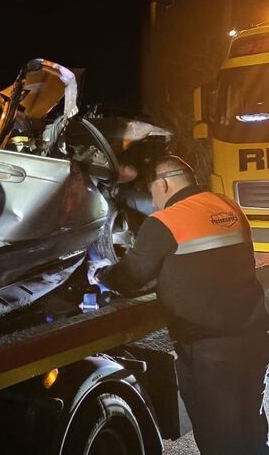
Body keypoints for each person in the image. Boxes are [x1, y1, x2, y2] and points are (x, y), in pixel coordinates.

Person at [89, 155, 269, 455]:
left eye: (152, 191)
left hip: (210, 351)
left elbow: (132, 276)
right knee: (250, 427)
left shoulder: (166, 221)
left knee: (221, 441)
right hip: (253, 341)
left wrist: (101, 275)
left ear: (164, 184)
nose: (153, 200)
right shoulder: (228, 207)